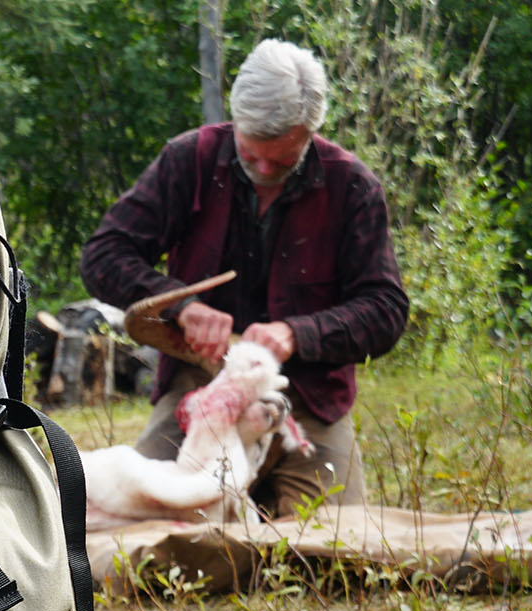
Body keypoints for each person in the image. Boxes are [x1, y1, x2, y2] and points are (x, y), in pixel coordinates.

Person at [81, 38, 408, 517]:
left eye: (282, 159)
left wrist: (297, 334)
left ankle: (259, 494)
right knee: (143, 518)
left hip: (307, 397)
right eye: (251, 153)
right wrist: (181, 304)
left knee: (335, 544)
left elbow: (386, 310)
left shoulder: (352, 186)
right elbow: (103, 255)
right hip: (201, 386)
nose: (263, 170)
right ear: (236, 120)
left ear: (310, 131)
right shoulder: (188, 160)